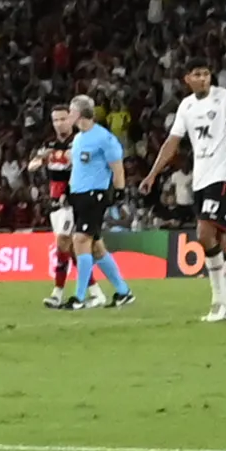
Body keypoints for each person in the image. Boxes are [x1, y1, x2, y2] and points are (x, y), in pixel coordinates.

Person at [139, 58, 226, 323]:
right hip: (201, 181)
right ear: (187, 79)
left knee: (204, 234)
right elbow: (172, 142)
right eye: (197, 74)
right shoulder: (187, 106)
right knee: (219, 242)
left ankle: (218, 302)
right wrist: (152, 174)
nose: (202, 78)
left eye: (206, 73)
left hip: (225, 177)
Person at [56, 96, 135, 310]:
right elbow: (78, 168)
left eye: (71, 112)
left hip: (95, 195)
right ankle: (123, 292)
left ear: (80, 114)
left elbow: (117, 166)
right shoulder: (80, 138)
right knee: (97, 248)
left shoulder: (104, 138)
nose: (68, 117)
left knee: (80, 240)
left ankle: (79, 297)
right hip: (79, 196)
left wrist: (119, 191)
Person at [27, 104, 96, 307]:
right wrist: (41, 159)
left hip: (73, 200)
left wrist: (61, 158)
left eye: (63, 119)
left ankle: (57, 293)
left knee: (63, 244)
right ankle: (95, 291)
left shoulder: (79, 142)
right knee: (72, 251)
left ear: (71, 119)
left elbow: (82, 165)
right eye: (55, 120)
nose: (59, 123)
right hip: (55, 202)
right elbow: (32, 166)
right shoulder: (49, 144)